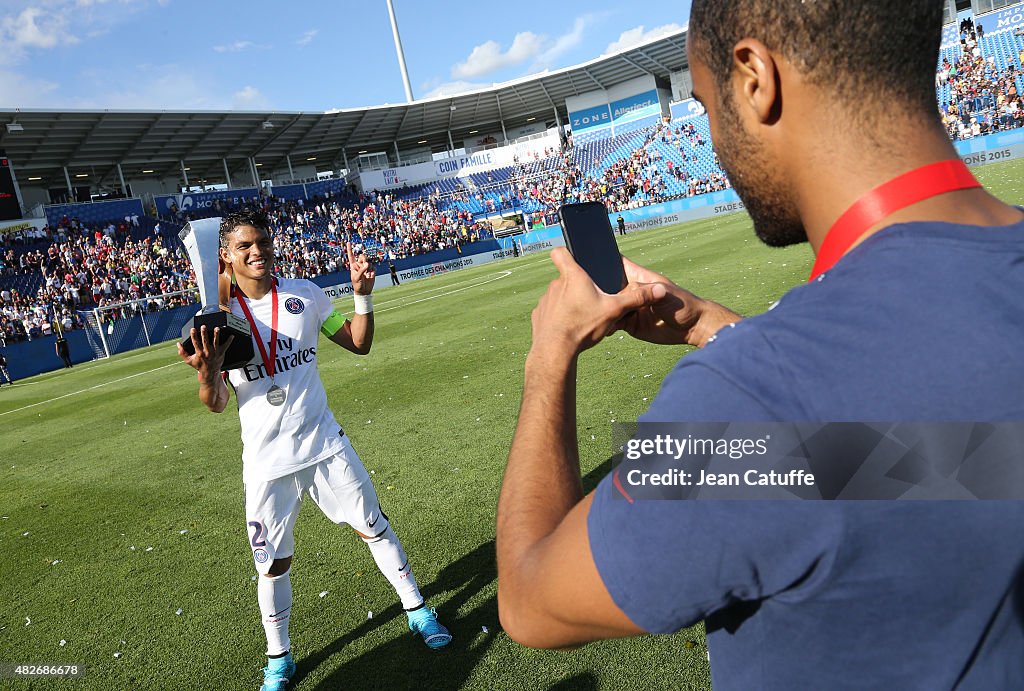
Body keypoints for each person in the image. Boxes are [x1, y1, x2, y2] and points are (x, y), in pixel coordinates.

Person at [496, 1, 1024, 689]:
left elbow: (531, 597)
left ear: (754, 78)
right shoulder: (792, 415)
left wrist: (549, 358)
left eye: (705, 105)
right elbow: (945, 456)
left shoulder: (753, 400)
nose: (713, 138)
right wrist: (705, 324)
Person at [177, 211, 450, 691]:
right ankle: (279, 660)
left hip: (325, 445)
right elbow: (217, 403)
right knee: (273, 564)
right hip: (266, 464)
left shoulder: (306, 294)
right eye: (244, 246)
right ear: (226, 256)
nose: (257, 251)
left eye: (262, 241)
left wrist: (362, 293)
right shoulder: (218, 320)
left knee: (373, 527)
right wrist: (207, 370)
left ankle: (418, 611)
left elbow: (359, 345)